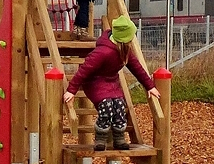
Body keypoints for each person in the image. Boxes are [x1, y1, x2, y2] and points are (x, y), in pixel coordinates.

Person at [63, 14, 160, 151]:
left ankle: (119, 138)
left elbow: (137, 68)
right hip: (94, 83)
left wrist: (150, 86)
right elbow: (84, 70)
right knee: (106, 105)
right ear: (125, 39)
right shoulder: (103, 52)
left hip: (111, 82)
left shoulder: (125, 50)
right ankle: (100, 138)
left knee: (119, 105)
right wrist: (71, 90)